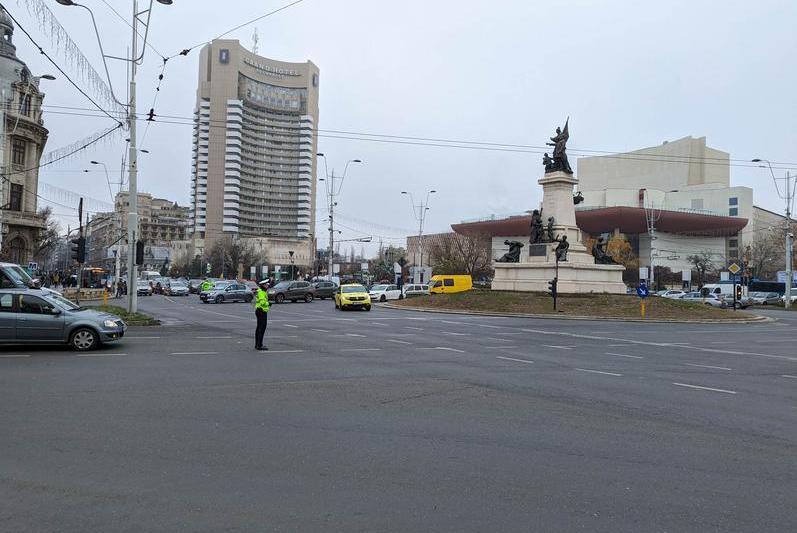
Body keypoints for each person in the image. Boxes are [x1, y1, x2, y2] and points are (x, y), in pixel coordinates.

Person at [254, 279, 270, 350]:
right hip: (261, 311)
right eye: (266, 285)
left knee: (259, 328)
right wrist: (268, 303)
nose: (267, 286)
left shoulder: (262, 291)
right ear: (263, 285)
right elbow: (263, 302)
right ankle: (259, 345)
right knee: (261, 328)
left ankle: (257, 344)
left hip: (260, 311)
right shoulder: (261, 292)